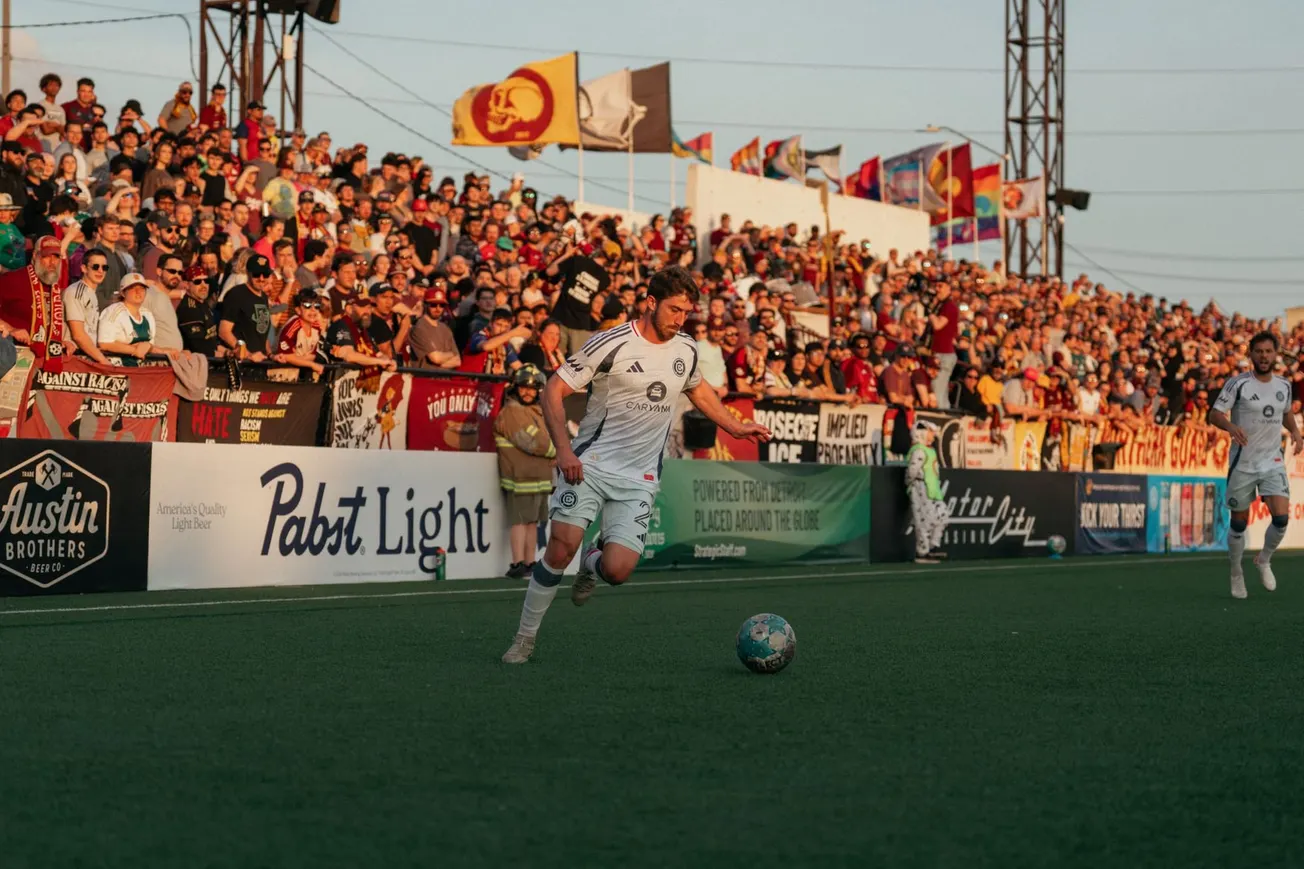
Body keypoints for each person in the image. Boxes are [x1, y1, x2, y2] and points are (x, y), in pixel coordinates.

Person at [502, 265, 773, 665]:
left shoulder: (686, 348)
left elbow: (698, 390)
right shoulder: (610, 343)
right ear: (651, 303)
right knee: (560, 548)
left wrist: (736, 426)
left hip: (640, 476)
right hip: (589, 464)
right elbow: (554, 388)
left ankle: (592, 561)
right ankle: (524, 639)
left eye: (687, 312)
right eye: (675, 309)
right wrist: (564, 450)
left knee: (617, 571)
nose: (681, 319)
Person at [1208, 332, 1304, 599]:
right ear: (1251, 354)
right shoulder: (1237, 384)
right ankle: (1236, 572)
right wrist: (1230, 426)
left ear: (1276, 354)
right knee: (1238, 524)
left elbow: (1285, 413)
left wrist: (1295, 432)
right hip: (1243, 463)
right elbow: (1214, 414)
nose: (1264, 356)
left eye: (1268, 352)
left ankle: (1264, 559)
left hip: (1272, 460)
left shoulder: (1284, 385)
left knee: (1281, 518)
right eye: (1259, 351)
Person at [494, 365, 555, 580]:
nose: (527, 392)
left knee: (532, 523)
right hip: (520, 478)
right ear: (515, 389)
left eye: (532, 388)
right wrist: (558, 450)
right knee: (520, 521)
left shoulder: (535, 412)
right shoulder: (512, 412)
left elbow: (548, 437)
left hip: (538, 478)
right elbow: (530, 441)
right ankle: (518, 563)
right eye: (523, 387)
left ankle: (529, 563)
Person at [906, 420, 948, 564]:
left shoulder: (929, 450)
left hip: (933, 490)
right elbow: (912, 471)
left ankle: (932, 547)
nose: (933, 434)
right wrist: (910, 484)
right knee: (924, 521)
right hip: (921, 488)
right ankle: (922, 552)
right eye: (930, 431)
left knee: (942, 516)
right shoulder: (919, 450)